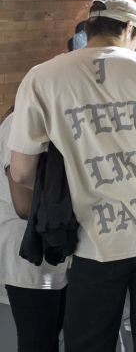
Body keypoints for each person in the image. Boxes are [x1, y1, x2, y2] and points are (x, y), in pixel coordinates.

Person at [9, 0, 136, 352]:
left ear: (89, 27)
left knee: (89, 343)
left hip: (95, 240)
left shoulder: (42, 77)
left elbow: (20, 171)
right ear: (129, 29)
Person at [2, 106, 70, 352]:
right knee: (38, 342)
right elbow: (23, 205)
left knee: (48, 338)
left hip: (49, 254)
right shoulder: (17, 125)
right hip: (30, 258)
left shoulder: (46, 125)